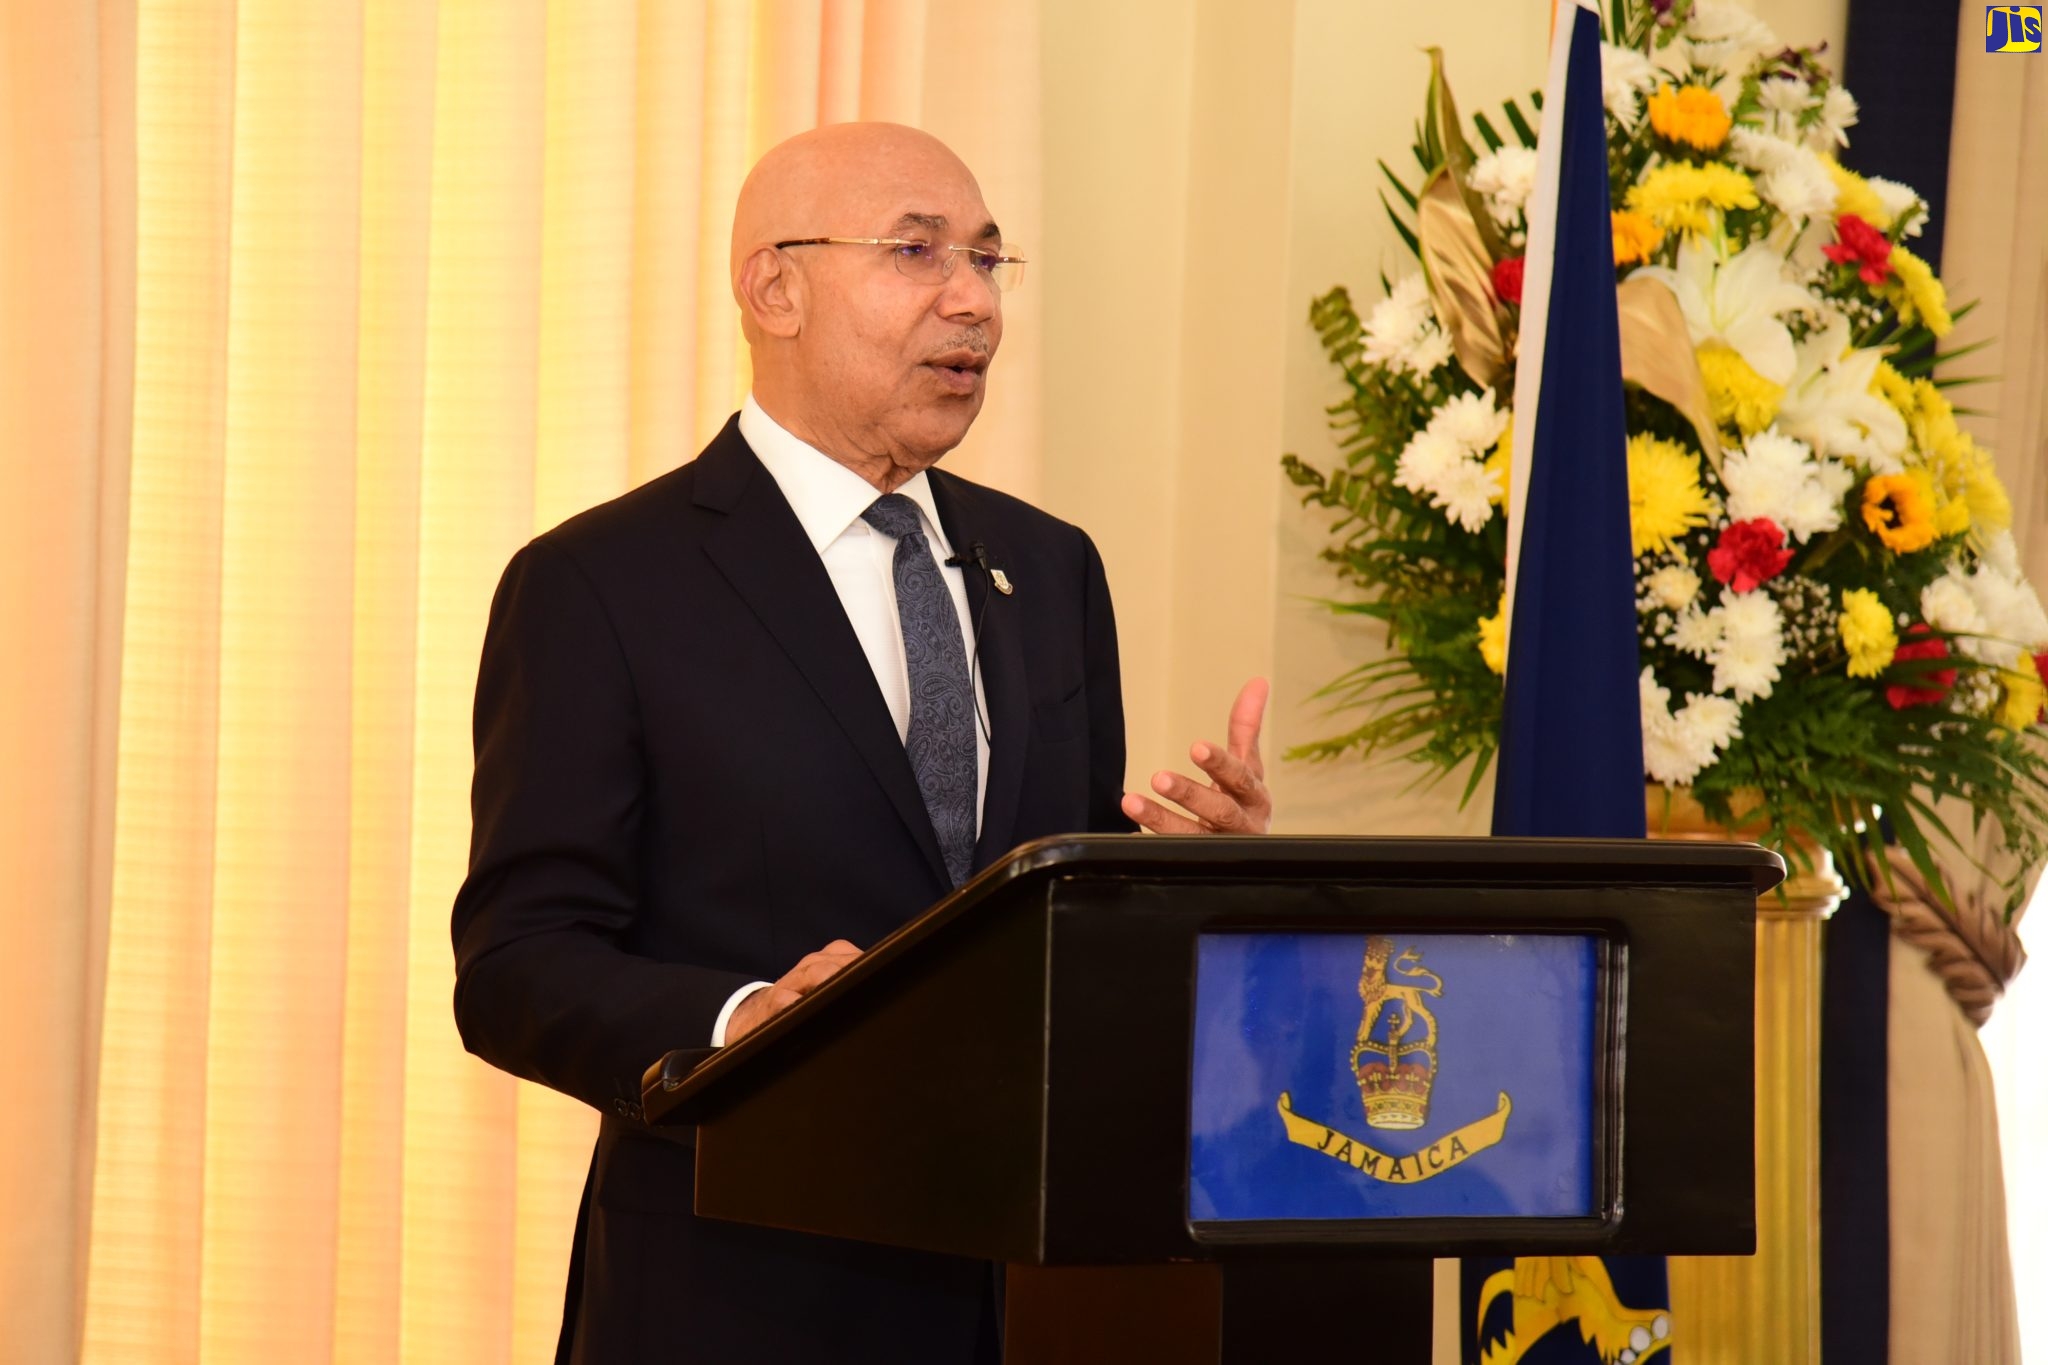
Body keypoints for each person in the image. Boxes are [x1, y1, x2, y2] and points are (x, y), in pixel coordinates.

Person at [451, 121, 1270, 1365]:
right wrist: (742, 1020)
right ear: (771, 287)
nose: (972, 304)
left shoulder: (1047, 568)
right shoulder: (602, 584)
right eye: (916, 252)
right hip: (733, 1288)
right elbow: (516, 963)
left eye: (989, 261)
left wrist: (1197, 881)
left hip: (1031, 1299)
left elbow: (1059, 923)